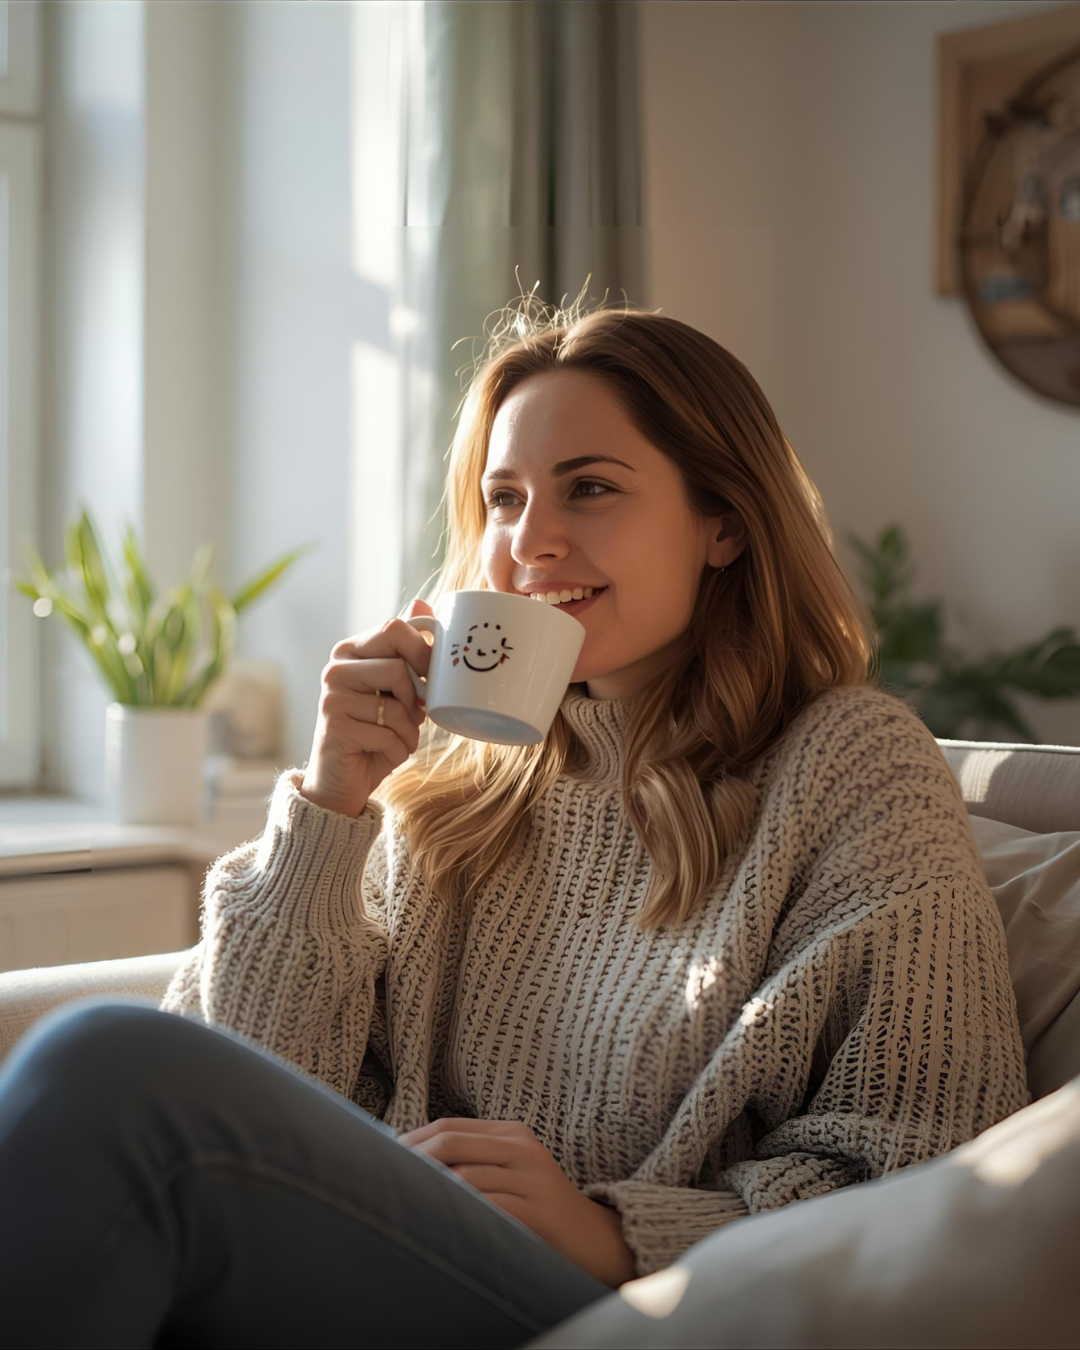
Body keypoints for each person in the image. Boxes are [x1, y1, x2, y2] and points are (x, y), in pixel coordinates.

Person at [0, 293, 1030, 1349]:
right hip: (374, 1265)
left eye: (589, 489)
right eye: (502, 499)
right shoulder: (449, 778)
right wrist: (330, 803)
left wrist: (615, 1236)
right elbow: (256, 1088)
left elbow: (927, 1167)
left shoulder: (850, 762)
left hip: (629, 1313)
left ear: (724, 523)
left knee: (100, 1062)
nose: (529, 541)